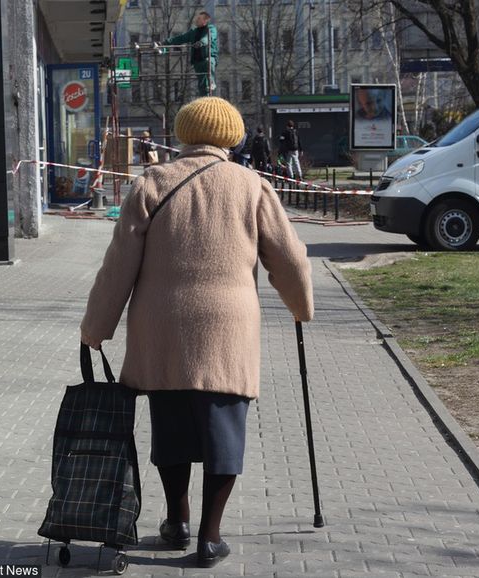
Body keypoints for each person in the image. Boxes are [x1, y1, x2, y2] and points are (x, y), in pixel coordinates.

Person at [80, 96, 313, 569]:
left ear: (184, 133)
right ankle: (210, 535)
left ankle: (176, 519)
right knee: (224, 427)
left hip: (160, 326)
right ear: (233, 136)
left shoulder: (151, 182)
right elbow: (288, 259)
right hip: (228, 326)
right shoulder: (253, 186)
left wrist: (95, 328)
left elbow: (117, 266)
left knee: (170, 426)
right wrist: (300, 307)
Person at [164, 11, 218, 96]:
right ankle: (204, 98)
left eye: (199, 18)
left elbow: (208, 37)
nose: (196, 20)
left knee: (208, 66)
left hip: (208, 57)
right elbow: (181, 38)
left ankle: (211, 82)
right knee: (202, 84)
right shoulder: (194, 32)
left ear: (205, 21)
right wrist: (166, 42)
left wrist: (201, 43)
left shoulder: (211, 29)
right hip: (197, 61)